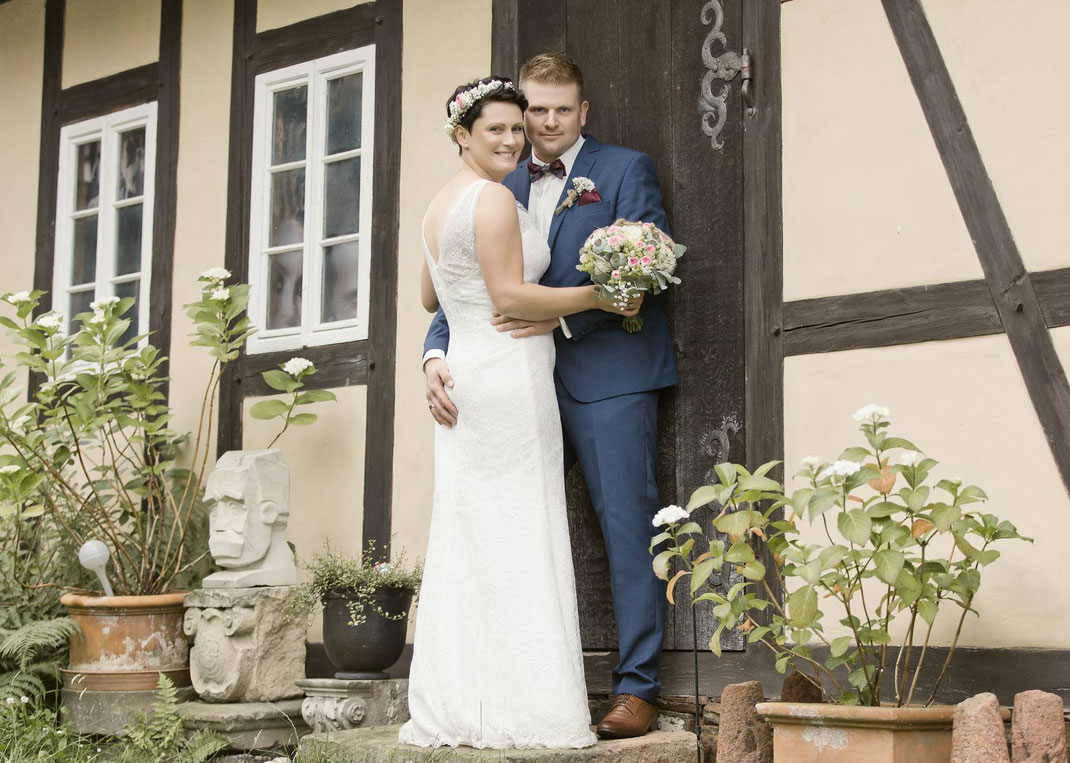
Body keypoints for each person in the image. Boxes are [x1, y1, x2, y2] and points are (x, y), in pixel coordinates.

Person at [422, 54, 679, 739]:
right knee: (507, 529)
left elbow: (648, 272)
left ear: (583, 111)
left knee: (627, 527)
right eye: (536, 110)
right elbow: (462, 282)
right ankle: (505, 686)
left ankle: (637, 686)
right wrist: (434, 351)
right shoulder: (496, 181)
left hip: (608, 376)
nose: (546, 122)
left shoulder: (627, 170)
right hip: (512, 381)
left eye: (562, 109)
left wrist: (564, 316)